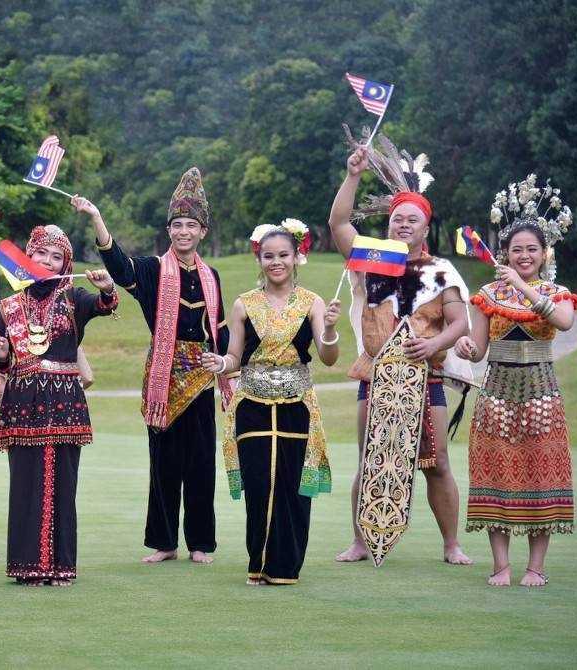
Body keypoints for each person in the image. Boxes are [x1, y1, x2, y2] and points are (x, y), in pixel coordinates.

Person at [77, 167, 231, 564]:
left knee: (200, 462)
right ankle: (165, 543)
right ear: (169, 230)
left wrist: (224, 360)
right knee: (164, 462)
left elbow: (221, 328)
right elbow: (119, 268)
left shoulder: (211, 275)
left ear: (201, 232)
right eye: (177, 225)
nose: (183, 232)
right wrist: (97, 218)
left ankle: (201, 543)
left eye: (191, 225)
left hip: (201, 377)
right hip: (163, 377)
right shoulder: (150, 270)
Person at [328, 146, 473, 565]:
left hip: (425, 376)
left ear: (425, 228)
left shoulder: (441, 270)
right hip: (376, 373)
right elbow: (339, 222)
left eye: (413, 219)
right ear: (389, 225)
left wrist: (433, 345)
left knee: (437, 463)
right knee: (369, 457)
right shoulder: (373, 258)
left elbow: (459, 322)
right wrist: (353, 175)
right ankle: (360, 541)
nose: (404, 224)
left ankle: (451, 544)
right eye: (398, 218)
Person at [453, 178, 577, 587]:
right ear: (505, 253)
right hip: (497, 393)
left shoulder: (557, 293)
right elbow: (478, 351)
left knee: (542, 473)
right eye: (517, 250)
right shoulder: (488, 294)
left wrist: (521, 285)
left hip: (541, 392)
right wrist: (467, 346)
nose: (524, 255)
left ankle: (535, 568)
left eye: (531, 249)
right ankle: (501, 566)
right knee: (496, 473)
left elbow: (562, 321)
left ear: (544, 253)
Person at [202, 222, 339, 584]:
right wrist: (221, 364)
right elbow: (235, 357)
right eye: (268, 256)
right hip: (252, 405)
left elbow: (327, 358)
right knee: (260, 486)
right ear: (259, 259)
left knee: (292, 488)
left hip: (297, 406)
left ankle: (285, 567)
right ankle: (257, 565)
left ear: (297, 257)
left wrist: (328, 330)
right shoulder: (244, 304)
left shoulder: (313, 303)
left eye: (283, 255)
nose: (276, 262)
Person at [0, 224, 118, 586]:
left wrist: (107, 289)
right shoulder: (9, 305)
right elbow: (3, 362)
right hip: (21, 404)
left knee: (63, 484)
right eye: (41, 253)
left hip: (63, 403)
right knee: (25, 485)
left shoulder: (75, 298)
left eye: (56, 256)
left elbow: (105, 305)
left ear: (65, 263)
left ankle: (61, 566)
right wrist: (1, 357)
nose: (47, 260)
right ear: (28, 257)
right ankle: (27, 567)